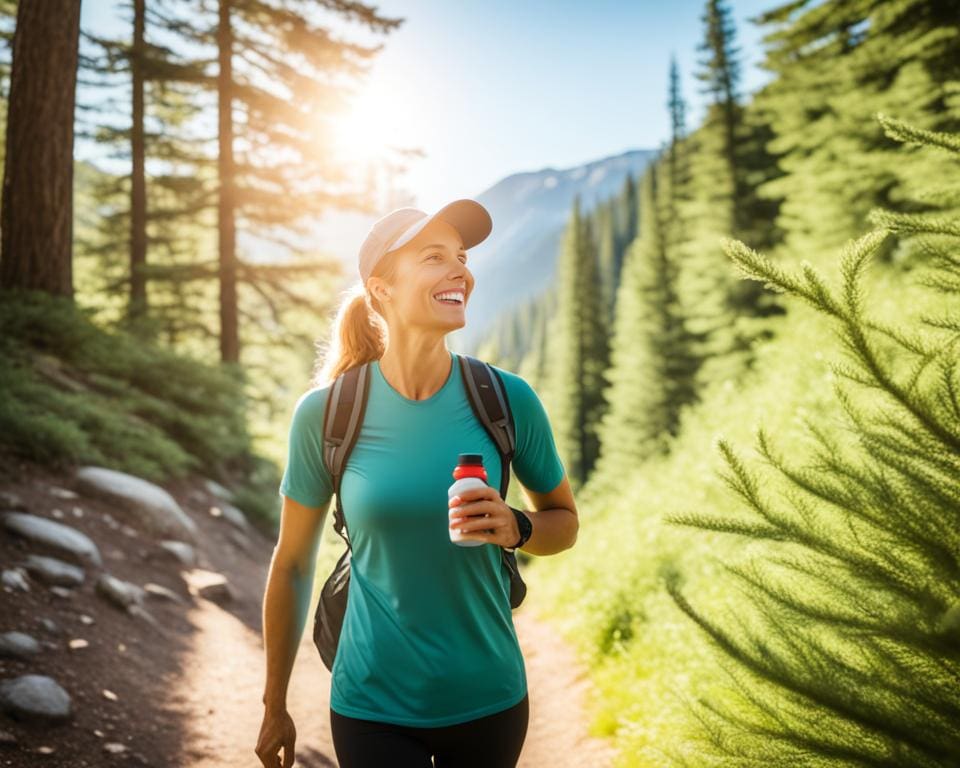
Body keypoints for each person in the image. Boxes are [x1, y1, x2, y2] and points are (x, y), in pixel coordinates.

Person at [256, 198, 579, 768]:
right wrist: (273, 703)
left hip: (490, 699)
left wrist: (518, 526)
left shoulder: (506, 401)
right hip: (370, 703)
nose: (461, 270)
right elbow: (293, 565)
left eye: (461, 257)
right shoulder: (328, 416)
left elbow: (565, 524)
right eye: (435, 258)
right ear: (381, 289)